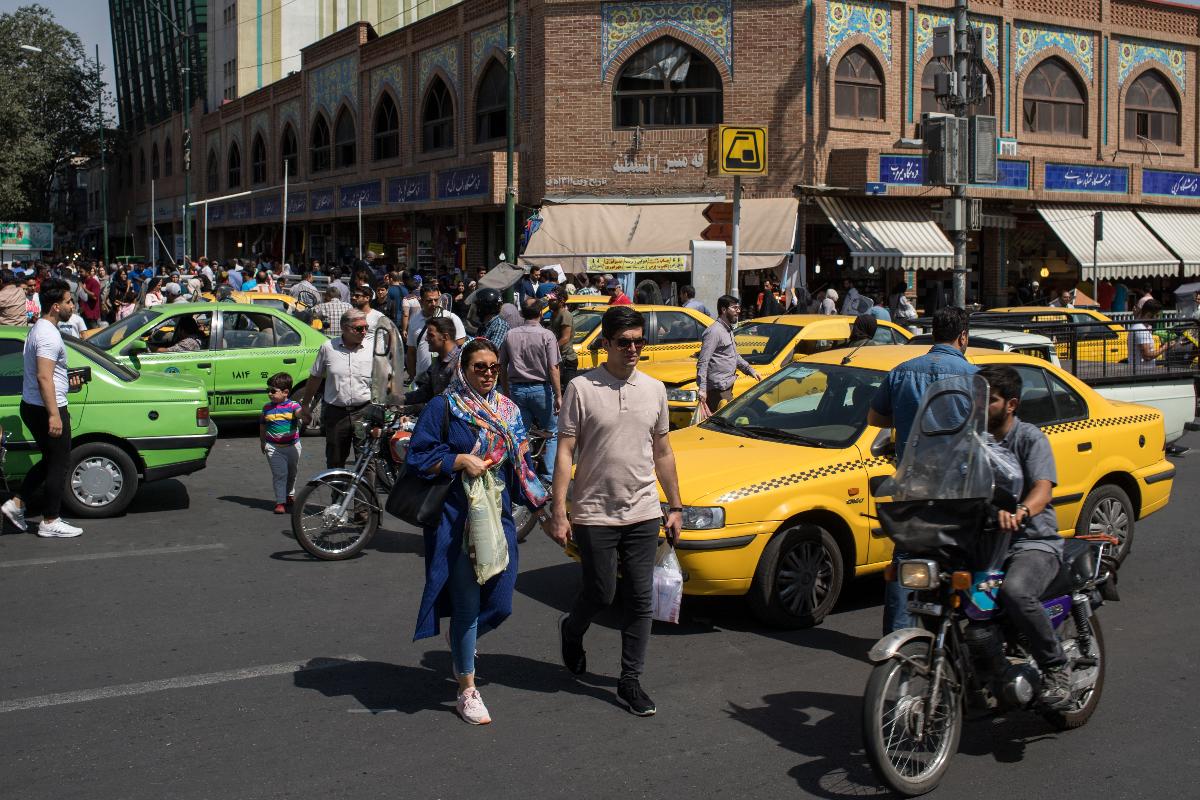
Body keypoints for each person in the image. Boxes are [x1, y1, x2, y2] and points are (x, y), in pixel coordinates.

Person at [547, 305, 685, 717]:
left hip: (643, 510)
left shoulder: (655, 389)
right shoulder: (582, 389)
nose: (633, 349)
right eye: (624, 342)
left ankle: (630, 680)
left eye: (639, 341)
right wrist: (559, 510)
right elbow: (565, 452)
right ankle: (572, 629)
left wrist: (674, 505)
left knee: (641, 598)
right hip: (593, 511)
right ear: (605, 344)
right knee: (601, 592)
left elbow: (662, 450)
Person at [407, 338, 547, 725]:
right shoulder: (444, 407)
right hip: (457, 520)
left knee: (500, 603)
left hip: (497, 518)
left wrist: (548, 510)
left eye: (493, 368)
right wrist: (457, 459)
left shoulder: (509, 410)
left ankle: (460, 645)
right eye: (479, 367)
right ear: (463, 370)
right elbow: (417, 455)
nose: (487, 374)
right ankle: (467, 688)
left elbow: (520, 468)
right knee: (467, 605)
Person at [868, 307, 978, 634]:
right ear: (963, 337)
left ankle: (898, 635)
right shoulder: (974, 376)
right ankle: (961, 633)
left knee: (906, 557)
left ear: (933, 334)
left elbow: (875, 418)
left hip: (912, 480)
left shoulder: (902, 372)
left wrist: (907, 423)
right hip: (959, 484)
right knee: (964, 558)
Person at [977, 364, 1072, 708]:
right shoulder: (973, 441)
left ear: (1011, 404)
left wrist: (1021, 511)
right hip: (986, 541)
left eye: (990, 400)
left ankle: (1055, 667)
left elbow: (1043, 490)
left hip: (1033, 541)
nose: (981, 405)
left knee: (1016, 592)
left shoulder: (1030, 438)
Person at [1, 279, 85, 538]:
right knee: (59, 463)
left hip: (36, 405)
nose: (73, 305)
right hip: (45, 408)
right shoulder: (48, 334)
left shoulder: (40, 328)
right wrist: (53, 415)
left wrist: (68, 381)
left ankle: (16, 504)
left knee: (51, 460)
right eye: (69, 301)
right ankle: (50, 520)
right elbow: (44, 377)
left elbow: (51, 375)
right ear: (56, 306)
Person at [299, 309, 375, 471]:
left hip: (364, 413)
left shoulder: (372, 348)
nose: (364, 332)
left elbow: (385, 378)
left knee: (366, 463)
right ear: (344, 328)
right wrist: (306, 405)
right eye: (359, 328)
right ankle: (339, 496)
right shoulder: (328, 348)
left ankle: (364, 497)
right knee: (335, 462)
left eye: (366, 327)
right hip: (336, 415)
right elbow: (315, 377)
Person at [499, 301, 562, 482]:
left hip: (516, 389)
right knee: (552, 431)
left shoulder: (510, 334)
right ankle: (549, 476)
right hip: (541, 389)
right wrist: (558, 395)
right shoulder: (547, 335)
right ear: (541, 314)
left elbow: (502, 366)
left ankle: (521, 473)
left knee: (520, 433)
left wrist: (505, 391)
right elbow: (553, 367)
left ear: (522, 314)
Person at [696, 295, 760, 417]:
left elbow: (734, 356)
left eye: (739, 308)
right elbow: (703, 361)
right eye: (734, 308)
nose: (738, 311)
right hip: (717, 390)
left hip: (727, 386)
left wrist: (750, 370)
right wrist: (702, 389)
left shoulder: (727, 330)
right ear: (724, 310)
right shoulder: (714, 332)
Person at [260, 372, 303, 514]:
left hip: (293, 446)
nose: (270, 394)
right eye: (268, 391)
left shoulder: (293, 405)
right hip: (274, 448)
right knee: (280, 474)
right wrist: (263, 442)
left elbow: (299, 413)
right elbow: (262, 425)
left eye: (273, 391)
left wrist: (304, 412)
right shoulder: (267, 408)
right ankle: (280, 502)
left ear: (285, 392)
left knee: (292, 473)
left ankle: (289, 495)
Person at [406, 284, 466, 382]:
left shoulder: (451, 318)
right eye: (429, 301)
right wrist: (413, 376)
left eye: (436, 300)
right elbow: (411, 352)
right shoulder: (414, 320)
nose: (434, 303)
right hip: (423, 379)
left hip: (447, 379)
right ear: (421, 302)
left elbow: (461, 347)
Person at [405, 317, 462, 404]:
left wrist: (415, 409)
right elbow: (425, 392)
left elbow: (450, 401)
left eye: (431, 335)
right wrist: (400, 398)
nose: (426, 339)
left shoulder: (459, 364)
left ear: (445, 337)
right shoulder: (438, 362)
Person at [1129, 298, 1174, 370]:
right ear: (1148, 314)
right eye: (1157, 315)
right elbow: (1147, 356)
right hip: (1142, 372)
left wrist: (1161, 348)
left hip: (1142, 371)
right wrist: (1165, 347)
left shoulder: (1140, 327)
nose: (1158, 318)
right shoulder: (1141, 329)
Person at [546, 288, 578, 387]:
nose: (550, 302)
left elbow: (565, 338)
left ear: (562, 301)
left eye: (553, 300)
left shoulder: (565, 315)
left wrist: (550, 348)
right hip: (558, 358)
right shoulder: (554, 314)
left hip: (567, 360)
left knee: (567, 391)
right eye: (549, 299)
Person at [78, 264, 102, 329]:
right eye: (79, 272)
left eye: (81, 272)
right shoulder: (82, 281)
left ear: (88, 272)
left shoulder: (94, 282)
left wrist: (84, 289)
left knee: (94, 334)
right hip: (83, 313)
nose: (80, 273)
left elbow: (95, 296)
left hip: (91, 315)